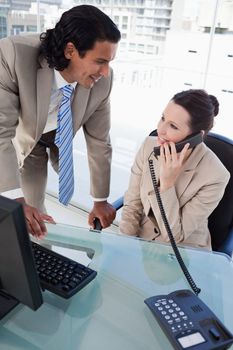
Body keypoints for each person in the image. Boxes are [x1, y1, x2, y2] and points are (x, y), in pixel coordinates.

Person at [0, 5, 121, 238]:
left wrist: (100, 200)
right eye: (100, 61)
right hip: (16, 135)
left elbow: (99, 141)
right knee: (16, 210)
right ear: (70, 51)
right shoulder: (12, 55)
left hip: (48, 136)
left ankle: (43, 268)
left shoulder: (103, 81)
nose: (106, 71)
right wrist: (15, 201)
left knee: (36, 216)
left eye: (110, 62)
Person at [119, 89, 230, 250]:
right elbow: (133, 203)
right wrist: (124, 244)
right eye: (163, 118)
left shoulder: (216, 176)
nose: (160, 130)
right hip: (141, 241)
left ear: (197, 137)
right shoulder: (148, 147)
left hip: (184, 251)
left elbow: (175, 236)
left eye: (173, 126)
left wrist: (167, 184)